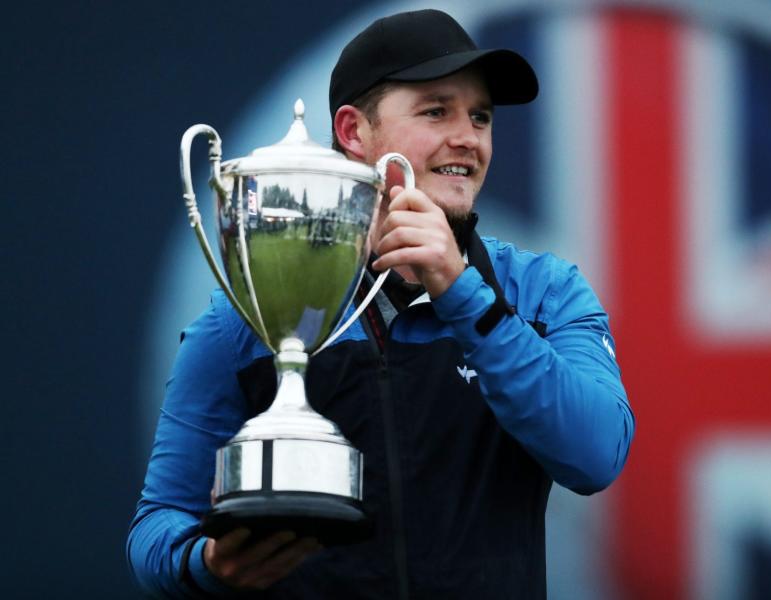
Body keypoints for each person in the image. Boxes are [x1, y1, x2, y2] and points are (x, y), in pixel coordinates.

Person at [128, 9, 634, 599]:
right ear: (352, 131)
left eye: (480, 117)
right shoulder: (249, 313)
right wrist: (208, 565)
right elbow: (156, 528)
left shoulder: (545, 291)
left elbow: (597, 455)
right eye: (436, 110)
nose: (468, 138)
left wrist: (464, 295)